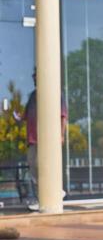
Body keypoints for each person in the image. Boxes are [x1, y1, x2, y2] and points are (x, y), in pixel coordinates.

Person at [14, 67, 68, 211]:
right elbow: (25, 116)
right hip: (32, 139)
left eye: (35, 75)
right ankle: (43, 198)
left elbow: (63, 116)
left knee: (46, 167)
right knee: (34, 168)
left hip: (48, 139)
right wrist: (17, 117)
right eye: (33, 75)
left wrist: (61, 135)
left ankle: (54, 193)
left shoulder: (55, 93)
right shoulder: (33, 96)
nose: (33, 77)